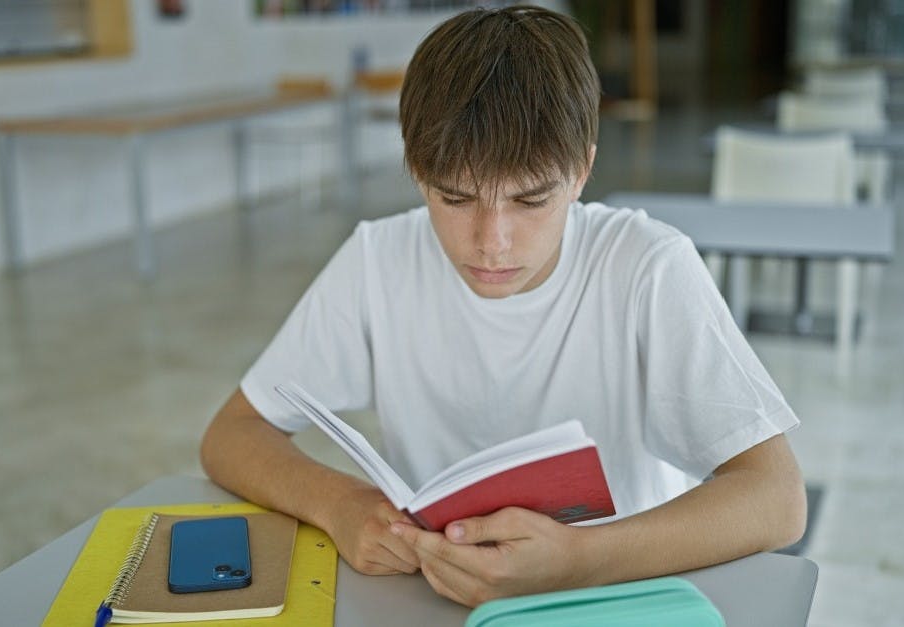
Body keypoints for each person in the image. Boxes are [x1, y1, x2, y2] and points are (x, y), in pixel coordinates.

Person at [201, 5, 806, 608]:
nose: (492, 242)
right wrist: (339, 504)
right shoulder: (377, 261)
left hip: (618, 600)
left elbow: (776, 498)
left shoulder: (646, 267)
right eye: (456, 198)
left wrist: (579, 560)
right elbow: (231, 435)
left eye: (531, 199)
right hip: (436, 601)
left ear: (581, 172)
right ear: (416, 170)